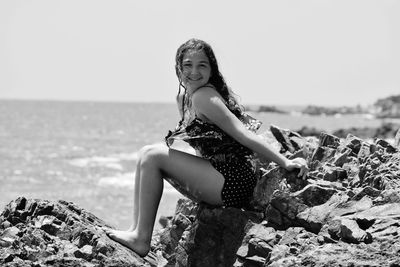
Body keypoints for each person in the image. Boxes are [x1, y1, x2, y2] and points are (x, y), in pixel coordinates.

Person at [103, 38, 308, 257]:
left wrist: (285, 162)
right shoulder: (184, 98)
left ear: (211, 69)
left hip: (233, 180)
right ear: (178, 68)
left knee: (152, 155)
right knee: (146, 153)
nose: (194, 71)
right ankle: (136, 231)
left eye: (202, 65)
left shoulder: (205, 97)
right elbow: (201, 147)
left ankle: (141, 238)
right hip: (217, 174)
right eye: (188, 65)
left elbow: (243, 134)